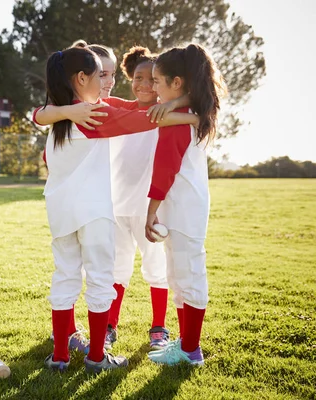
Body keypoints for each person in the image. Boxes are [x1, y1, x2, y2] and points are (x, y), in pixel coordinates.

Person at [40, 45, 198, 373]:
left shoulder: (59, 114)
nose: (105, 82)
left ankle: (59, 356)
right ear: (82, 78)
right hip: (94, 214)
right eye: (100, 75)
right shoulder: (94, 115)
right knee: (100, 280)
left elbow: (40, 115)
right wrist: (195, 115)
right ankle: (97, 357)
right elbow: (148, 119)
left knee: (65, 277)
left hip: (60, 213)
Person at [144, 43, 227, 366]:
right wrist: (177, 101)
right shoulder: (190, 112)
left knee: (188, 275)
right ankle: (185, 344)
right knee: (178, 276)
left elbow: (165, 169)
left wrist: (150, 212)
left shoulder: (180, 119)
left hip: (183, 208)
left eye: (157, 81)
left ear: (177, 82)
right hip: (183, 207)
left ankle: (191, 350)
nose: (152, 88)